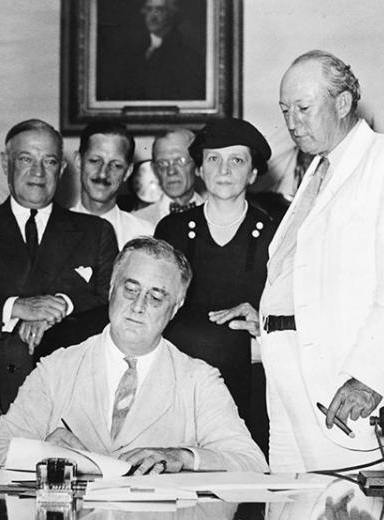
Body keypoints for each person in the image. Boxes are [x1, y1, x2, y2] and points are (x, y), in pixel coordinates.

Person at [258, 50, 384, 471]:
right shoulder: (318, 170)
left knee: (347, 506)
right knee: (291, 507)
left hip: (342, 385)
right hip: (286, 379)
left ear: (341, 103)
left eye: (303, 108)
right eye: (285, 110)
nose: (291, 122)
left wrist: (368, 377)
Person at [0, 237, 268, 473]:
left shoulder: (199, 380)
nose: (139, 306)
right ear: (112, 289)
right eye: (130, 289)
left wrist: (182, 456)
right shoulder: (57, 368)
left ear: (175, 308)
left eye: (156, 296)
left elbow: (251, 462)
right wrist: (43, 453)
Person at [0, 119, 119, 452]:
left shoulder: (95, 232)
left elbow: (110, 303)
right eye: (26, 159)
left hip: (69, 411)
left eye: (48, 161)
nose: (38, 171)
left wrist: (60, 304)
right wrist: (15, 307)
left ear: (62, 168)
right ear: (5, 162)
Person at [154, 118, 276, 453]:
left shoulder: (275, 233)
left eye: (237, 160)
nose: (224, 170)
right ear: (200, 170)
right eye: (213, 159)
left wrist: (262, 319)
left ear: (252, 173)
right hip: (182, 389)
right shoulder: (172, 230)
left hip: (253, 390)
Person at [70, 121, 154, 249]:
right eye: (95, 161)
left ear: (128, 172)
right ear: (78, 161)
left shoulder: (145, 235)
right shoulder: (51, 230)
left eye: (116, 165)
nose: (103, 173)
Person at [133, 127, 204, 225]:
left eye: (180, 161)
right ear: (154, 170)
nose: (171, 171)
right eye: (162, 163)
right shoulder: (136, 222)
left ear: (197, 165)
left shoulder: (220, 217)